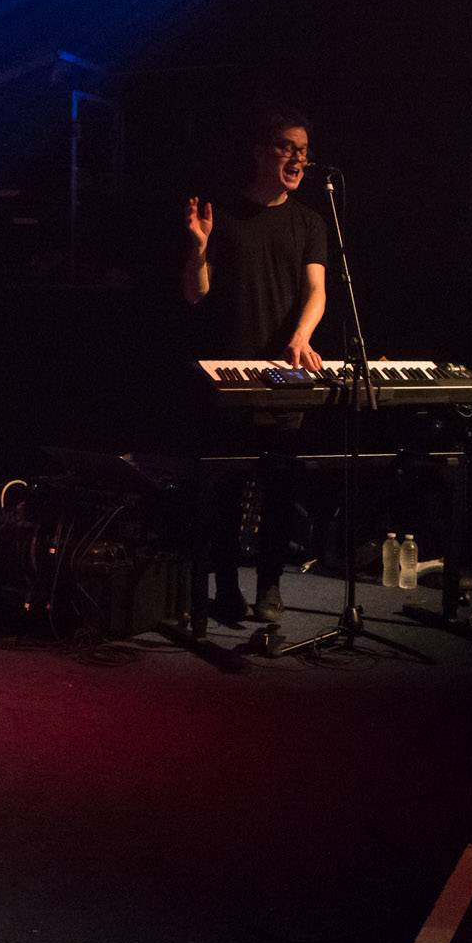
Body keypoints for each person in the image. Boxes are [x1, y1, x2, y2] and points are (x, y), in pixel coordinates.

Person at [181, 107, 330, 623]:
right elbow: (196, 295)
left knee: (281, 490)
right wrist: (198, 250)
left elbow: (317, 292)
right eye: (288, 147)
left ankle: (269, 588)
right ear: (261, 150)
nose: (298, 159)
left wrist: (301, 337)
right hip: (228, 375)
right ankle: (224, 587)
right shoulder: (222, 213)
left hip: (283, 376)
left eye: (304, 152)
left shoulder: (310, 221)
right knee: (224, 491)